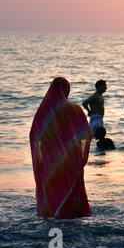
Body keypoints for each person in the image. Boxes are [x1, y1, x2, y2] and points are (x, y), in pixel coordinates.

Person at [29, 77, 93, 219]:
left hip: (49, 162)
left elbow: (34, 136)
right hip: (71, 160)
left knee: (53, 191)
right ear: (66, 90)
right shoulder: (74, 109)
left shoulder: (42, 113)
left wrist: (40, 158)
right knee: (71, 189)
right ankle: (71, 216)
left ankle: (53, 215)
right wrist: (79, 154)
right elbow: (87, 133)